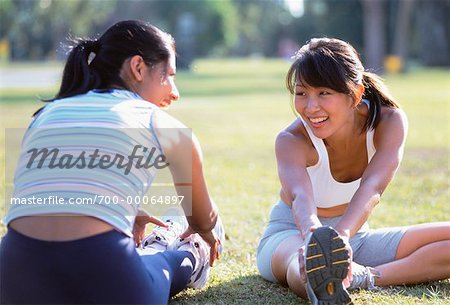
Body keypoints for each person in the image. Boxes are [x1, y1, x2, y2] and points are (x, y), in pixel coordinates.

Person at [0, 20, 223, 304]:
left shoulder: (45, 115)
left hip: (13, 277)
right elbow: (202, 219)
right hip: (106, 277)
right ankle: (185, 253)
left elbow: (51, 196)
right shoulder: (165, 126)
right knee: (166, 261)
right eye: (168, 75)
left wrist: (120, 212)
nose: (175, 91)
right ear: (138, 67)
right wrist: (209, 232)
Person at [256, 38, 450, 305]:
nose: (310, 107)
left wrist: (342, 239)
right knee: (305, 263)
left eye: (323, 93)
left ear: (356, 94)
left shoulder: (388, 121)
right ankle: (318, 278)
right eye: (302, 93)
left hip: (355, 236)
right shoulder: (291, 140)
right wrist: (315, 239)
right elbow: (301, 197)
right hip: (291, 234)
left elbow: (374, 187)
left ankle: (364, 277)